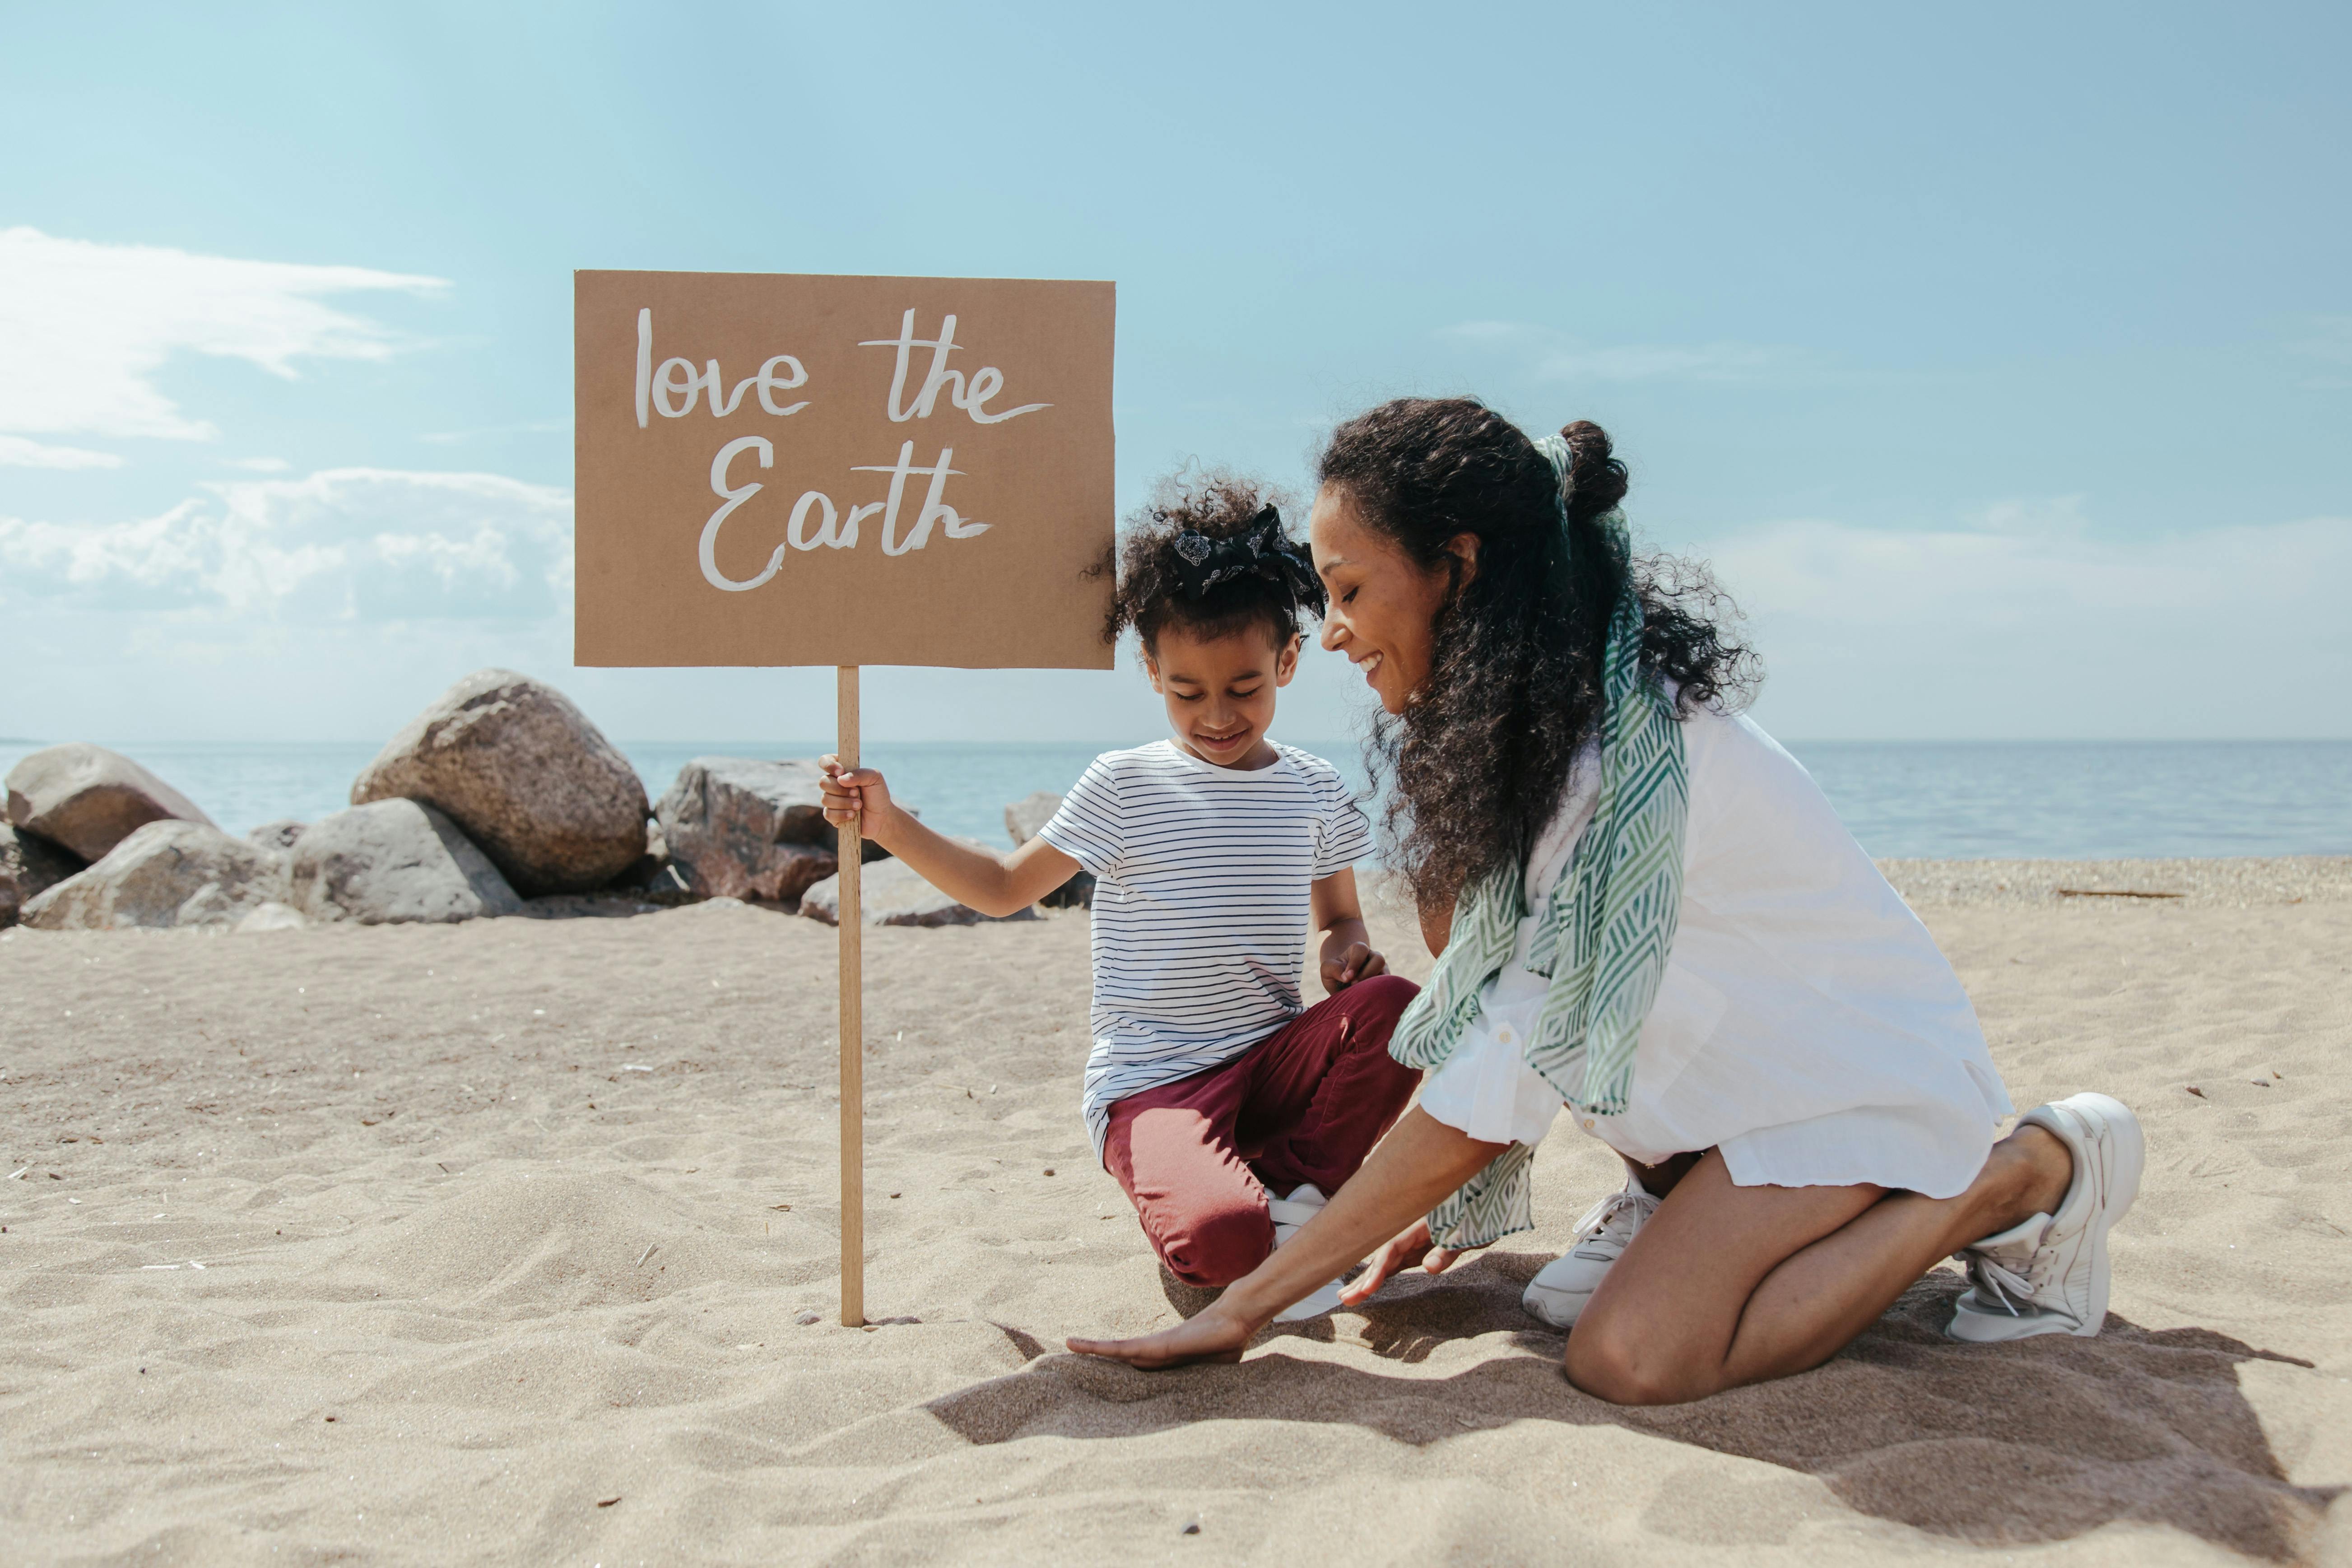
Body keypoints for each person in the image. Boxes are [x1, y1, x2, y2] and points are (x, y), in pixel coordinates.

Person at [1069, 402, 2143, 1402]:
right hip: (1726, 1101)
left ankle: (2014, 1176)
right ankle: (1671, 1188)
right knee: (1558, 1279)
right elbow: (1494, 1006)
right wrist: (1407, 1202)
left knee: (1634, 1356)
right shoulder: (1528, 718)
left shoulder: (1615, 768)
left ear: (1458, 568)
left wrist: (1248, 1307)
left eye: (1349, 590)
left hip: (1851, 1094)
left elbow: (1504, 1071)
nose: (1336, 628)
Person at [820, 472, 1420, 1320]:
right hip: (1158, 1084)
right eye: (1187, 691)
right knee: (1221, 1242)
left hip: (1270, 1063)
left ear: (1286, 660)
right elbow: (999, 889)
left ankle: (1299, 1199)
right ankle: (1235, 1211)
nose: (1216, 713)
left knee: (1397, 1007)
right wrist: (888, 822)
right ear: (1151, 672)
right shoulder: (1125, 784)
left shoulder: (1313, 789)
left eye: (1243, 688)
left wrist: (1342, 952)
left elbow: (1341, 916)